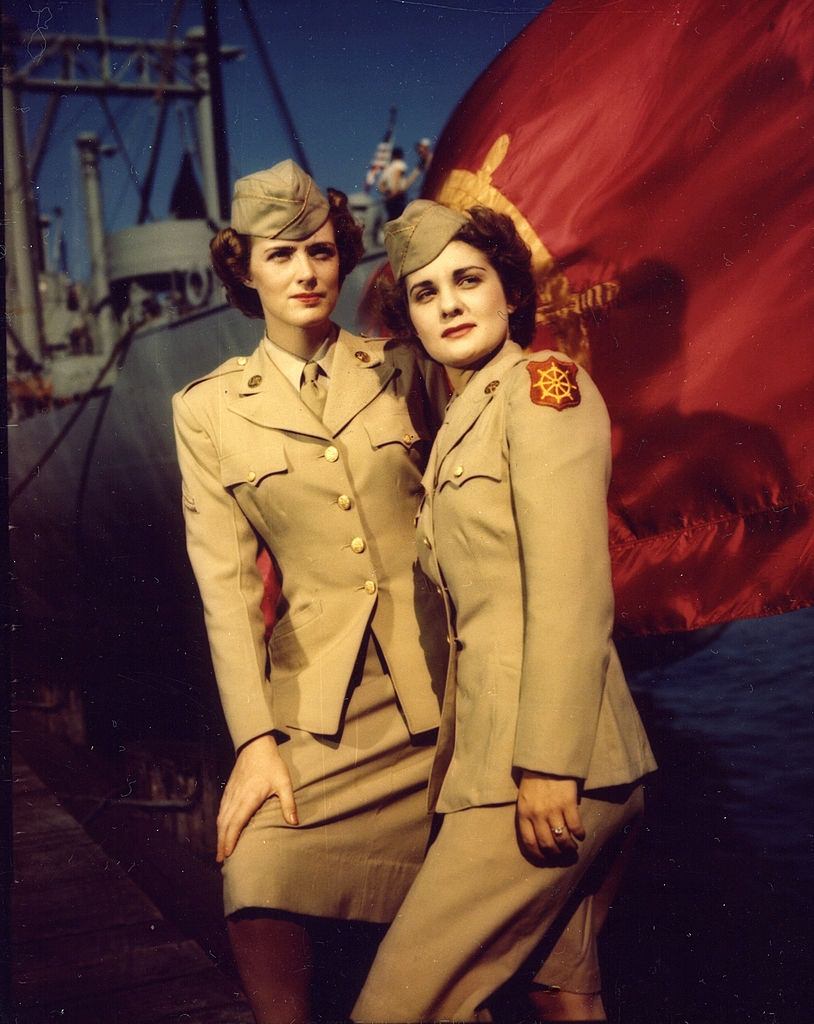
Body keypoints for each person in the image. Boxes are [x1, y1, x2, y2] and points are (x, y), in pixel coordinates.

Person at [352, 200, 657, 1023]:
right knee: (565, 997)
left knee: (395, 1008)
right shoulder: (463, 416)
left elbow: (571, 586)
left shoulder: (542, 391)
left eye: (468, 280)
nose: (448, 303)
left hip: (551, 764)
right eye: (424, 293)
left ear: (510, 295)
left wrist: (549, 763)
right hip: (497, 759)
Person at [172, 164, 447, 1024]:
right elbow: (225, 592)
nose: (306, 272)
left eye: (322, 252)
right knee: (256, 874)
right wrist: (255, 740)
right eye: (281, 254)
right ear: (244, 270)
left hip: (445, 678)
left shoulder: (406, 365)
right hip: (323, 703)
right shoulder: (208, 411)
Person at [378, 146, 408, 219]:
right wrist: (394, 193)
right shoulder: (399, 164)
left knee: (391, 218)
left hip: (389, 197)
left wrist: (386, 194)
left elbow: (381, 184)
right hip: (397, 196)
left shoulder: (388, 168)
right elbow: (396, 177)